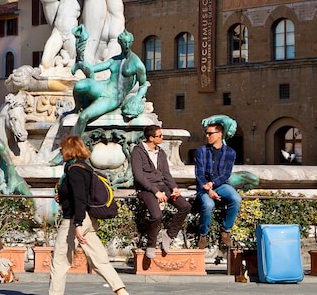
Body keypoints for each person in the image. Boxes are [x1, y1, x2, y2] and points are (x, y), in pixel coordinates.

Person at [49, 135, 128, 295]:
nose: (61, 152)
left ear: (70, 150)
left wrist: (77, 224)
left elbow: (79, 197)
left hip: (74, 219)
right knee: (99, 260)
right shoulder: (84, 168)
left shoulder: (74, 170)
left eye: (62, 148)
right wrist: (62, 197)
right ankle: (121, 291)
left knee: (59, 261)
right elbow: (77, 194)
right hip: (88, 220)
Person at [71, 30, 149, 136]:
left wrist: (137, 97)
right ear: (120, 43)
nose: (126, 45)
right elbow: (93, 68)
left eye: (128, 43)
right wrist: (81, 59)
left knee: (83, 117)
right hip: (104, 87)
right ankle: (77, 107)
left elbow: (144, 84)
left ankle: (70, 148)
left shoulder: (137, 63)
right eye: (124, 43)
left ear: (132, 42)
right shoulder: (114, 60)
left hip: (113, 97)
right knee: (79, 86)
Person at [131, 125, 190, 259]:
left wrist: (174, 188)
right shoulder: (138, 151)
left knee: (185, 206)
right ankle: (151, 244)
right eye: (160, 136)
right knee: (156, 215)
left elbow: (166, 174)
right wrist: (156, 192)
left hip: (162, 186)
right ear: (151, 138)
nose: (162, 138)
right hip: (146, 189)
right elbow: (139, 176)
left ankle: (169, 235)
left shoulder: (161, 152)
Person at [194, 122, 241, 249]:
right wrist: (208, 188)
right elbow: (199, 174)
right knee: (208, 205)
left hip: (220, 185)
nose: (207, 136)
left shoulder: (230, 152)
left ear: (219, 134)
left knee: (236, 199)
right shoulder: (201, 151)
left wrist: (213, 184)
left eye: (210, 133)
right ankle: (203, 234)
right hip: (204, 186)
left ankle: (225, 230)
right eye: (206, 133)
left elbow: (226, 174)